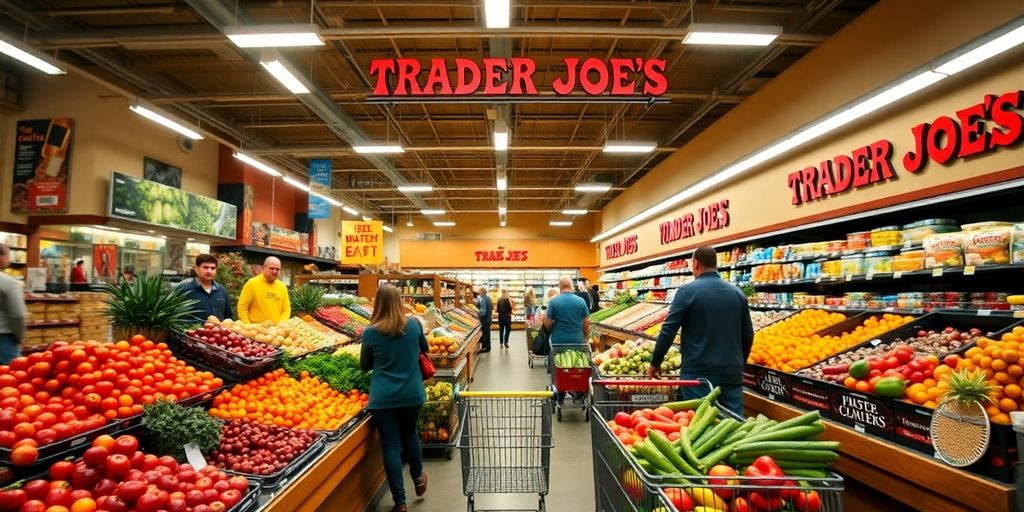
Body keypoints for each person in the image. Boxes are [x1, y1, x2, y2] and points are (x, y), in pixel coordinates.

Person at [647, 246, 754, 417]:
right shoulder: (738, 294)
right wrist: (740, 363)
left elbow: (668, 330)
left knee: (697, 423)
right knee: (733, 424)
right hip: (731, 373)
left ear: (696, 264)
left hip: (699, 372)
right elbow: (748, 335)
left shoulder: (686, 292)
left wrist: (655, 362)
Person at [360, 284, 429, 512]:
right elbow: (425, 348)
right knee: (410, 434)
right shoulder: (413, 324)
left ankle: (400, 502)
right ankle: (418, 476)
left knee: (390, 445)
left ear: (377, 304)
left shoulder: (370, 331)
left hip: (383, 398)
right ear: (399, 301)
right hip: (412, 393)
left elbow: (364, 366)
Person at [544, 277, 591, 397]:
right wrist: (585, 338)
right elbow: (586, 324)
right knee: (576, 366)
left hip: (559, 341)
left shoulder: (554, 302)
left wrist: (551, 326)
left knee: (560, 367)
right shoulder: (581, 301)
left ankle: (560, 391)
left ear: (560, 287)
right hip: (577, 341)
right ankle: (578, 389)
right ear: (571, 286)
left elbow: (548, 323)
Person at [178, 254, 233, 322]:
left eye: (212, 268)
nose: (209, 271)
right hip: (191, 331)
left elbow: (228, 316)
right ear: (196, 269)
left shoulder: (221, 290)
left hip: (218, 332)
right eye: (205, 267)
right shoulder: (184, 289)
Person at [237, 256, 290, 323]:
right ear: (264, 268)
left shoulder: (282, 287)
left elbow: (286, 310)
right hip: (256, 330)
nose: (275, 271)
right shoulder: (252, 284)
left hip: (275, 331)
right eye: (272, 268)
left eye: (278, 269)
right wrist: (248, 326)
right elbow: (242, 307)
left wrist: (280, 325)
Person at [0, 245, 26, 364]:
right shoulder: (9, 283)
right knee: (8, 378)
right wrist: (20, 336)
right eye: (8, 256)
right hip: (4, 340)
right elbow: (18, 315)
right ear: (1, 258)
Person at [476, 286, 493, 353]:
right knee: (487, 333)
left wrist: (478, 316)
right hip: (489, 318)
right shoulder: (488, 298)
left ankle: (486, 348)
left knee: (485, 334)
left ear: (481, 292)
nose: (478, 292)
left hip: (485, 320)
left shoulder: (482, 299)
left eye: (479, 291)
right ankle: (487, 347)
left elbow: (483, 312)